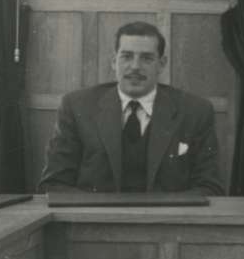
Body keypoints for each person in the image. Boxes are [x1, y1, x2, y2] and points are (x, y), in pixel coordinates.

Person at [38, 20, 224, 194]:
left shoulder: (195, 111)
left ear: (161, 64)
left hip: (166, 218)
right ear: (114, 62)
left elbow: (210, 188)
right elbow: (53, 184)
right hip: (95, 218)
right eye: (126, 57)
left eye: (146, 58)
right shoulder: (77, 106)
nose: (135, 66)